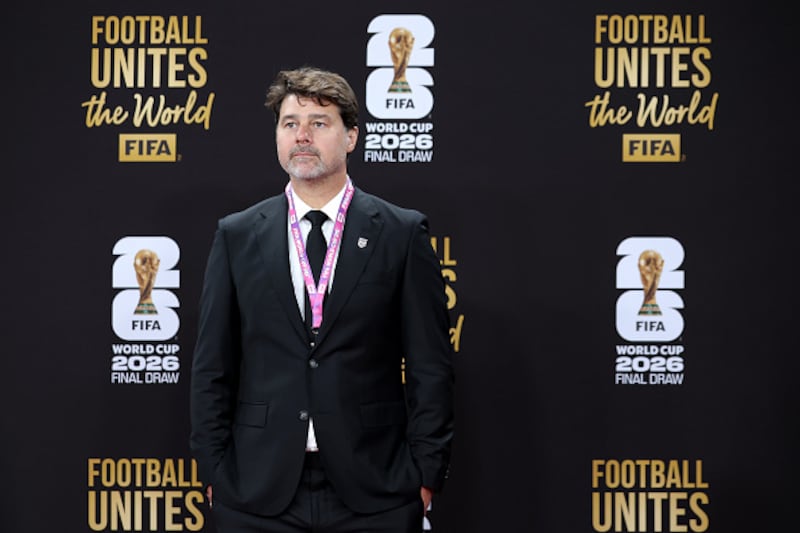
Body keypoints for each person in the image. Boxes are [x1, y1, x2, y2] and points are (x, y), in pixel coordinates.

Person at [190, 66, 454, 532]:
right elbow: (212, 366)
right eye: (290, 123)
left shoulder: (401, 232)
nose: (302, 136)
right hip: (257, 492)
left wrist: (425, 473)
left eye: (319, 122)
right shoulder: (237, 235)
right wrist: (214, 471)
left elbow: (430, 366)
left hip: (375, 489)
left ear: (351, 137)